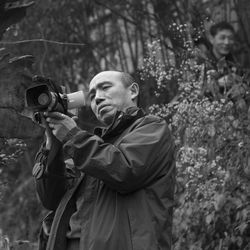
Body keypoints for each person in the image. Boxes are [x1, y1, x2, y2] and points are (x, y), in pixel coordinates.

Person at [33, 70, 176, 250]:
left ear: (133, 91)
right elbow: (51, 199)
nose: (98, 98)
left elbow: (124, 170)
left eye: (105, 88)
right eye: (92, 96)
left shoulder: (152, 127)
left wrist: (72, 136)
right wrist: (52, 143)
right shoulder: (87, 147)